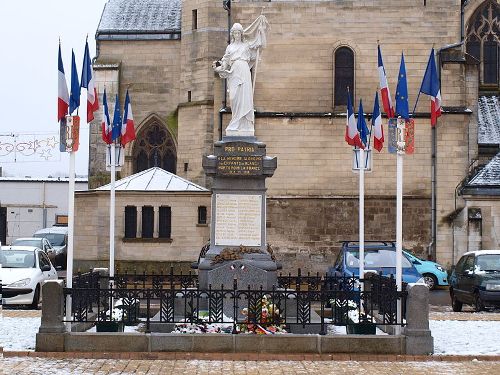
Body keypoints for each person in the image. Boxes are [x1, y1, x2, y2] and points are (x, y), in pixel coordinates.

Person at [213, 16, 269, 137]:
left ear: (241, 34)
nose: (237, 34)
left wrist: (262, 31)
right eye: (235, 33)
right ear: (232, 34)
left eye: (239, 32)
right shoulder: (230, 47)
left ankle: (244, 125)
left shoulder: (246, 46)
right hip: (233, 73)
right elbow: (224, 65)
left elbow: (262, 45)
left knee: (245, 99)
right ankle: (236, 122)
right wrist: (217, 69)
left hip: (244, 71)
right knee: (233, 98)